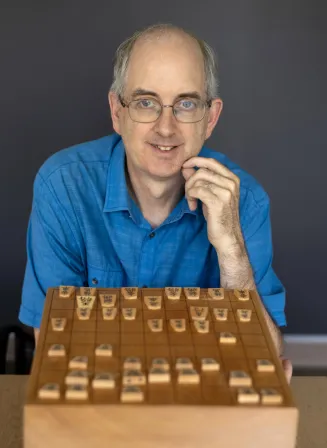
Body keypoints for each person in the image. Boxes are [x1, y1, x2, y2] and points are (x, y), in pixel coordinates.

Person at [18, 23, 292, 381]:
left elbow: (265, 360)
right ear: (117, 111)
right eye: (146, 103)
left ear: (210, 118)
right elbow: (55, 347)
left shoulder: (245, 201)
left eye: (186, 104)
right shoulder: (63, 186)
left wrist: (232, 251)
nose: (166, 128)